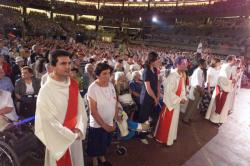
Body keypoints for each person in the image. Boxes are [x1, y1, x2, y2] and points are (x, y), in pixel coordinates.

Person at [35, 49, 88, 166]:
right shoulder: (46, 90)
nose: (68, 67)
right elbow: (46, 121)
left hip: (76, 136)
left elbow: (81, 111)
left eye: (69, 63)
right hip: (58, 142)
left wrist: (80, 128)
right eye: (63, 63)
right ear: (53, 66)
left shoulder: (73, 84)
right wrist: (69, 135)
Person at [87, 62, 118, 166]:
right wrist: (105, 126)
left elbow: (115, 102)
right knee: (95, 146)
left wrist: (114, 120)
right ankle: (95, 162)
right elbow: (93, 112)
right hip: (97, 125)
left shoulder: (111, 85)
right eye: (104, 73)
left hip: (109, 122)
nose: (108, 76)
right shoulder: (93, 88)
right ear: (97, 75)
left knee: (104, 144)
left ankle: (102, 158)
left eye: (109, 73)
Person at [154, 56, 188, 146]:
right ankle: (163, 139)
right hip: (170, 104)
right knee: (167, 123)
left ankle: (171, 137)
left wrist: (183, 97)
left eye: (186, 63)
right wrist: (180, 100)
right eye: (184, 64)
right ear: (177, 65)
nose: (186, 65)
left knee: (173, 122)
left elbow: (182, 88)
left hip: (176, 103)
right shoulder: (172, 75)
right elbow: (168, 92)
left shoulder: (180, 75)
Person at [205, 55, 236, 124]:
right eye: (234, 60)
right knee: (216, 104)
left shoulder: (232, 68)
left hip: (227, 89)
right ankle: (214, 119)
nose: (235, 61)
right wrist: (231, 81)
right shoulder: (224, 67)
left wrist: (234, 79)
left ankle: (220, 120)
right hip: (221, 89)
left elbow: (233, 77)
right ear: (229, 60)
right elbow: (222, 78)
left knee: (224, 105)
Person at [139, 51, 160, 144]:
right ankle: (142, 136)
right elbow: (148, 88)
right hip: (147, 98)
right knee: (144, 117)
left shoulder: (154, 70)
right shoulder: (146, 71)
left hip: (153, 97)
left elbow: (157, 83)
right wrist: (155, 98)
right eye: (157, 59)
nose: (159, 61)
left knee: (152, 116)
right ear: (152, 61)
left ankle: (146, 131)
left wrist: (158, 95)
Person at [183, 59, 206, 124]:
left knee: (194, 105)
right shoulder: (198, 71)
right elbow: (197, 84)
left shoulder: (200, 71)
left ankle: (188, 117)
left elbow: (201, 82)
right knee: (191, 105)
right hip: (196, 89)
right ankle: (185, 119)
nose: (206, 65)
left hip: (198, 89)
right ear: (201, 64)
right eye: (205, 63)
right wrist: (201, 92)